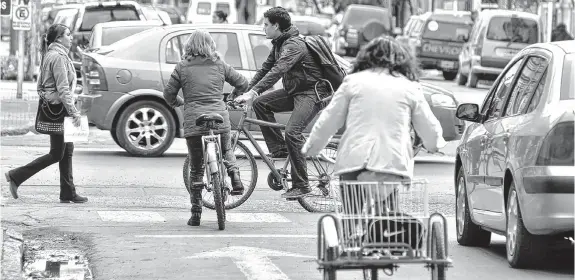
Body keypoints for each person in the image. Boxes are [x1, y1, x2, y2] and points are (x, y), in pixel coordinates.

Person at [302, 36, 446, 210]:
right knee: (385, 219)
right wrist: (434, 144)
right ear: (403, 61)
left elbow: (329, 120)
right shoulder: (409, 86)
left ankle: (353, 233)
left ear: (365, 58)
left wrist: (312, 148)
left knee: (352, 214)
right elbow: (428, 125)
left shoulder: (352, 82)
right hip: (390, 162)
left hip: (354, 158)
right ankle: (383, 227)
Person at [234, 6, 328, 199]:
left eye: (266, 25)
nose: (263, 28)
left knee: (293, 132)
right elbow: (265, 70)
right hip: (295, 91)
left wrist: (253, 92)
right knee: (261, 103)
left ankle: (302, 185)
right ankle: (280, 149)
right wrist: (247, 92)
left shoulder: (294, 45)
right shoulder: (279, 43)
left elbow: (278, 70)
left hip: (311, 93)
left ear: (276, 26)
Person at [163, 29, 249, 227]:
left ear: (189, 46)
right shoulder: (220, 64)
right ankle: (235, 177)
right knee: (227, 149)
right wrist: (232, 96)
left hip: (195, 120)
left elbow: (168, 95)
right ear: (211, 45)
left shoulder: (182, 67)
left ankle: (195, 214)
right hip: (220, 117)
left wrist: (180, 102)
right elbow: (243, 82)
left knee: (196, 168)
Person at [4, 24, 86, 203]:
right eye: (68, 35)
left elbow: (41, 86)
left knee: (67, 150)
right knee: (57, 153)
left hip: (58, 106)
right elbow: (63, 89)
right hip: (61, 109)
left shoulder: (51, 54)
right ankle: (16, 176)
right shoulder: (57, 57)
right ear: (58, 39)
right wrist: (74, 112)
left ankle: (68, 192)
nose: (71, 37)